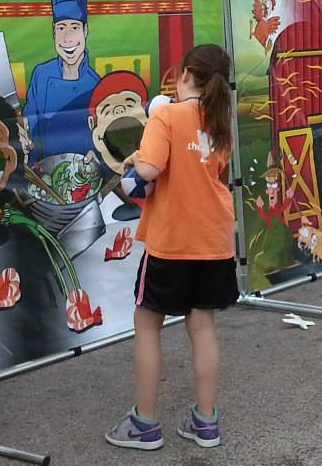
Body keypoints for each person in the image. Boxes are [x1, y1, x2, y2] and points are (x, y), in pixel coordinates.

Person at [106, 44, 239, 451]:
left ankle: (144, 423)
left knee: (148, 324)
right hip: (214, 239)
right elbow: (204, 169)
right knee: (202, 327)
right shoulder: (219, 121)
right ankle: (206, 421)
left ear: (183, 74)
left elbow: (148, 171)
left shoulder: (165, 114)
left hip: (172, 240)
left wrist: (129, 172)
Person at [23, 0, 100, 163]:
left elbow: (101, 138)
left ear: (85, 31)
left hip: (81, 175)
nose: (67, 39)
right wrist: (25, 138)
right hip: (43, 172)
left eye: (74, 28)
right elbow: (28, 122)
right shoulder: (41, 74)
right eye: (61, 28)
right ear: (53, 32)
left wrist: (97, 155)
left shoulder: (96, 84)